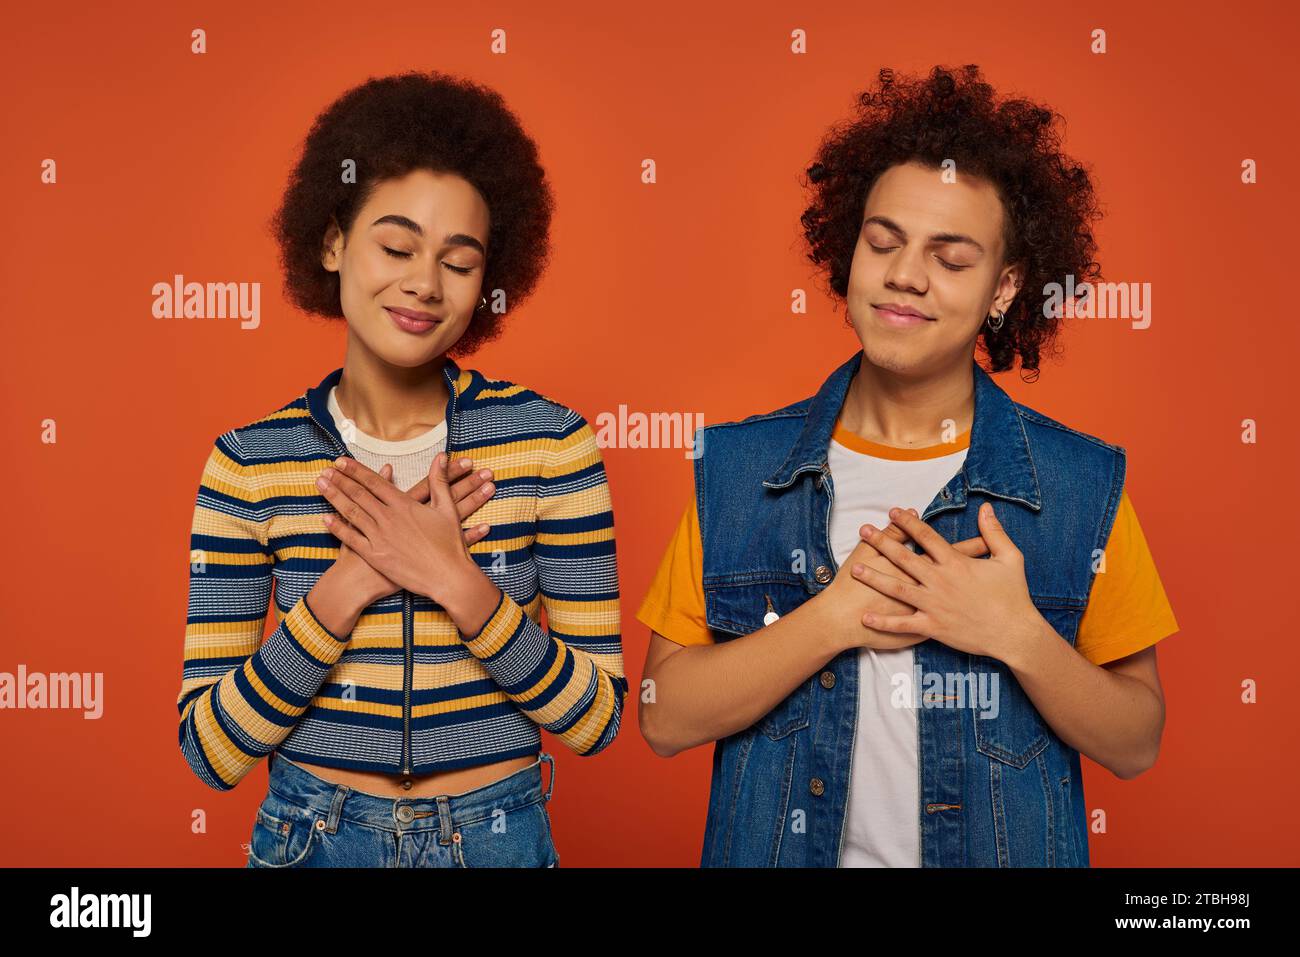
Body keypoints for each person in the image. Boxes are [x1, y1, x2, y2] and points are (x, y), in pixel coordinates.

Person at [635, 64, 1178, 867]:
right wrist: (829, 618)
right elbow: (661, 713)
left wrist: (1016, 634)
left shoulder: (1075, 484)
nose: (905, 275)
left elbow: (1136, 740)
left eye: (951, 259)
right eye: (883, 241)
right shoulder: (741, 468)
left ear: (1005, 288)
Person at [176, 71, 626, 868]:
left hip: (498, 834)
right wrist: (349, 583)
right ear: (331, 242)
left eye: (460, 261)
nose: (424, 282)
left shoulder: (552, 444)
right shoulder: (248, 462)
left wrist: (457, 581)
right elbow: (211, 749)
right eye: (395, 246)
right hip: (313, 837)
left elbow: (597, 719)